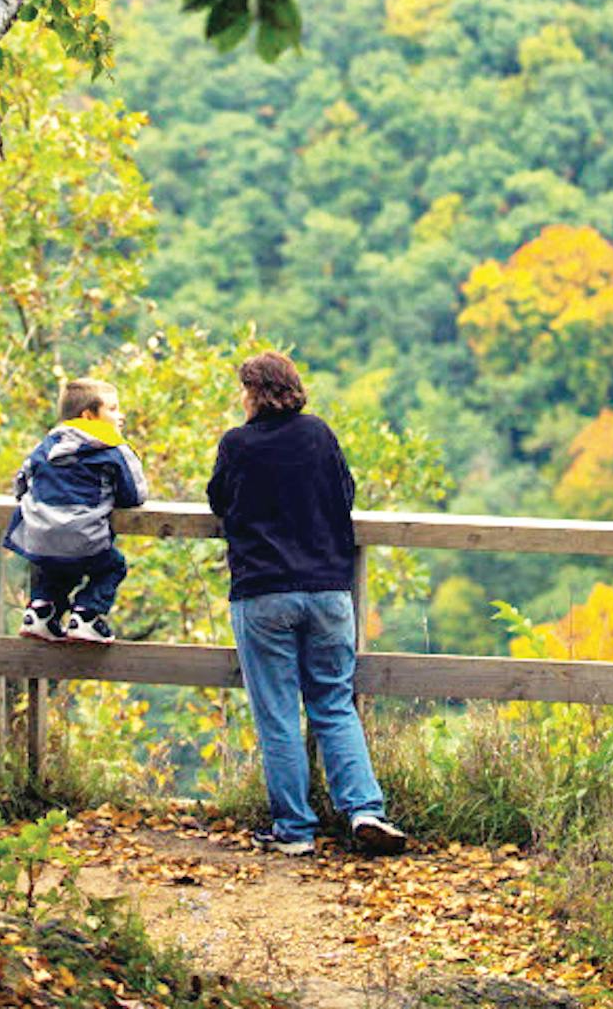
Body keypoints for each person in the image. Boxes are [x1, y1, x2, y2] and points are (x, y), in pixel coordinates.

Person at [206, 351, 408, 857]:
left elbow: (218, 502)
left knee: (277, 711)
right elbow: (345, 494)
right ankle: (364, 809)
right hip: (328, 590)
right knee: (333, 704)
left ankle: (295, 830)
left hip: (264, 592)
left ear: (252, 393)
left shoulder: (237, 445)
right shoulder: (319, 434)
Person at [4, 377, 147, 644]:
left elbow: (21, 483)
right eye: (113, 409)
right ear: (89, 416)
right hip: (85, 538)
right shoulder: (113, 448)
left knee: (56, 567)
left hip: (40, 536)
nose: (121, 416)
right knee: (112, 567)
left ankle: (41, 612)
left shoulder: (46, 445)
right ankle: (87, 614)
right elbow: (135, 495)